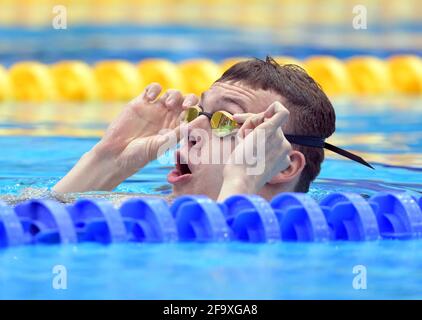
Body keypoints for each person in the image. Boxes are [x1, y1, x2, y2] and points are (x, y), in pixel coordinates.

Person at [53, 56, 371, 202]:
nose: (191, 128)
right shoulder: (149, 207)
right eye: (198, 111)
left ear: (284, 165)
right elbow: (30, 222)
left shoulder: (301, 244)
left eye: (223, 119)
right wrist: (108, 162)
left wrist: (241, 181)